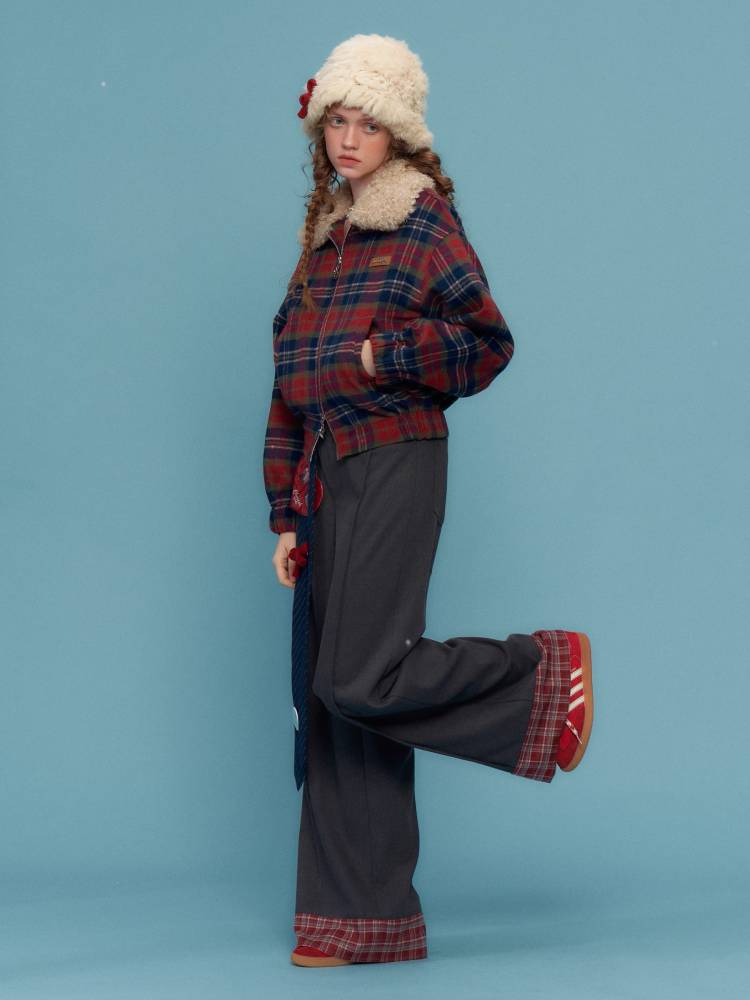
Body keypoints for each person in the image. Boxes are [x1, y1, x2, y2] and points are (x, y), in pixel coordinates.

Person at [262, 33, 595, 968]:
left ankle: (541, 677)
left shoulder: (420, 223)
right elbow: (288, 385)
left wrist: (386, 355)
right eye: (337, 121)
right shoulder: (323, 244)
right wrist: (284, 513)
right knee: (335, 701)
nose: (348, 139)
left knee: (359, 676)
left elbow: (487, 343)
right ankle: (357, 919)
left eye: (367, 124)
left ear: (399, 133)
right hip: (329, 473)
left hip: (397, 459)